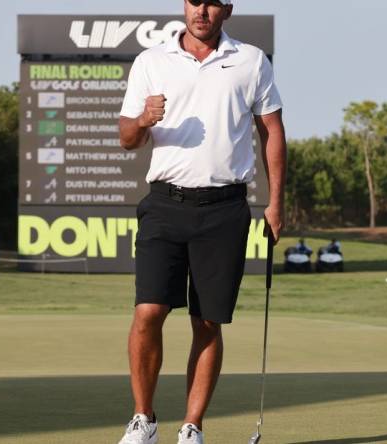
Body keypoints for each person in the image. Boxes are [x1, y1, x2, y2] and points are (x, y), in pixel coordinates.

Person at [117, 0, 286, 442]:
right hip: (165, 204)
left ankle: (191, 427)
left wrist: (276, 202)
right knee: (148, 312)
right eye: (195, 1)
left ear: (227, 8)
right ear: (184, 5)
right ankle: (143, 419)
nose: (202, 11)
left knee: (207, 321)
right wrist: (142, 119)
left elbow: (272, 131)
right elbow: (127, 139)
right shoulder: (151, 61)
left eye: (212, 2)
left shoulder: (251, 61)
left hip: (225, 208)